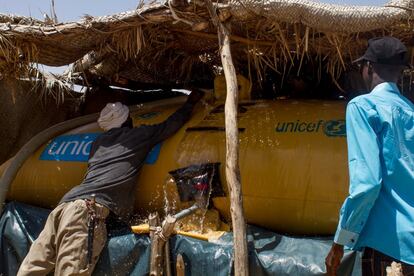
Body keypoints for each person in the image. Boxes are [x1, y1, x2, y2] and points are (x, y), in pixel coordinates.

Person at [17, 89, 203, 276]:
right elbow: (170, 125)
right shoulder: (137, 136)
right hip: (86, 212)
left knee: (30, 270)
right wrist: (190, 103)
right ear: (127, 121)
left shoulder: (98, 143)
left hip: (63, 208)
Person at [325, 36, 414, 275]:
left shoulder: (363, 107)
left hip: (391, 249)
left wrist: (339, 243)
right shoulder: (410, 112)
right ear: (399, 73)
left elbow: (367, 184)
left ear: (369, 68)